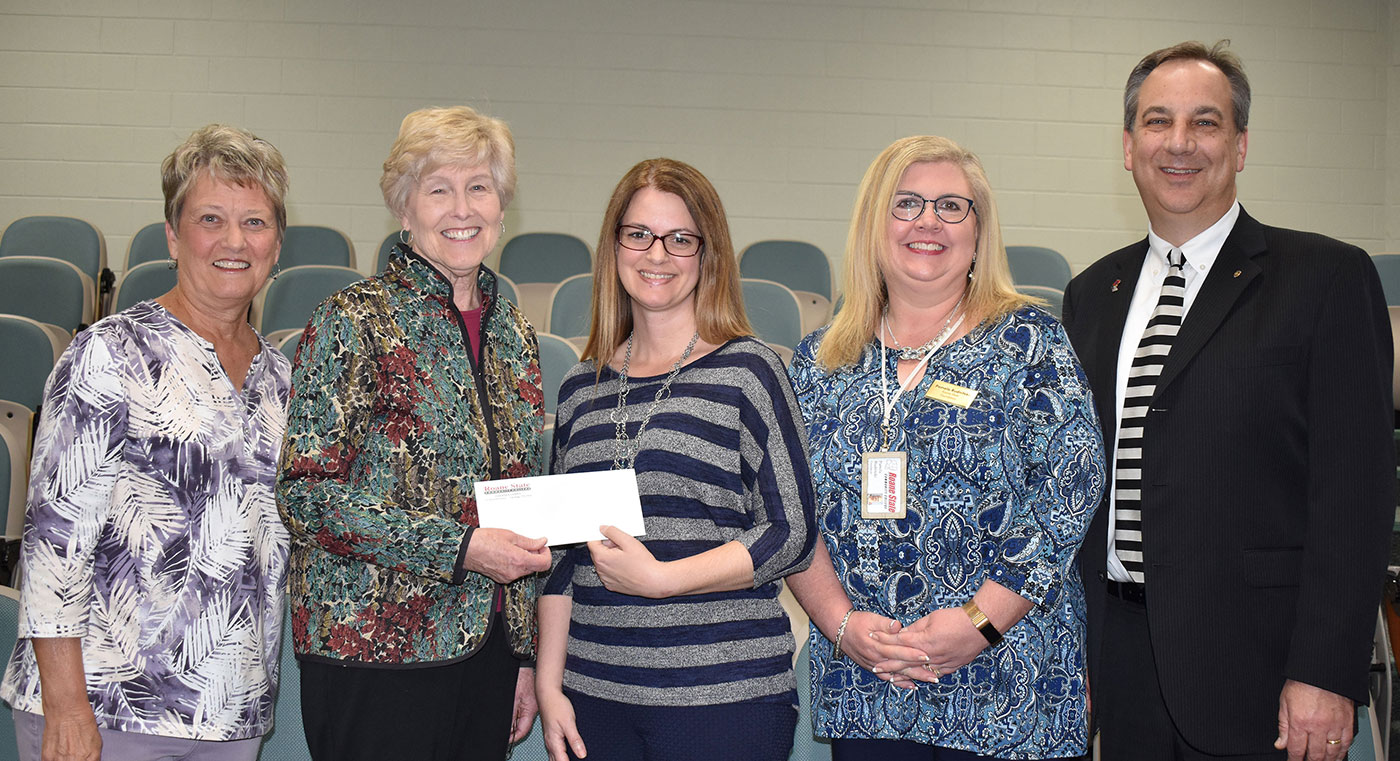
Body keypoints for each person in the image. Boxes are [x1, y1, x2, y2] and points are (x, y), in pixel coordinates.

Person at [1062, 41, 1394, 761]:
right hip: (1118, 661)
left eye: (1205, 123)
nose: (1179, 143)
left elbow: (1355, 495)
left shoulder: (1326, 279)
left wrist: (1324, 669)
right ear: (1128, 146)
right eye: (1157, 121)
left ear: (1241, 145)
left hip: (1262, 672)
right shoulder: (1091, 294)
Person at [785, 135, 1106, 761]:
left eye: (951, 206)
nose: (927, 221)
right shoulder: (822, 362)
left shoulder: (1028, 340)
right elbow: (791, 512)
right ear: (873, 225)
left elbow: (1072, 488)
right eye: (906, 204)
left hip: (1011, 682)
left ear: (979, 232)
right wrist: (842, 627)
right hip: (871, 685)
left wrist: (980, 624)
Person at [0, 124, 292, 761]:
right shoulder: (110, 353)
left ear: (277, 244)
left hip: (232, 713)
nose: (235, 241)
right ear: (173, 234)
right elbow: (55, 542)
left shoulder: (280, 377)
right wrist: (67, 705)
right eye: (211, 218)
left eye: (256, 222)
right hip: (108, 712)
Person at [276, 105, 550, 761]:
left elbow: (519, 497)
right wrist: (461, 548)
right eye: (439, 189)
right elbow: (306, 495)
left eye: (479, 186)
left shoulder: (515, 336)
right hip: (373, 656)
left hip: (484, 656)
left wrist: (521, 653)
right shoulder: (353, 320)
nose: (462, 207)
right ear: (404, 209)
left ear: (502, 207)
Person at [535, 157, 817, 761]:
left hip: (723, 696)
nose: (656, 255)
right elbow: (561, 558)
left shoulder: (749, 370)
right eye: (638, 234)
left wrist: (662, 580)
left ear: (705, 253)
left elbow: (790, 533)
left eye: (678, 239)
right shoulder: (580, 388)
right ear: (614, 248)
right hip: (595, 695)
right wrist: (547, 682)